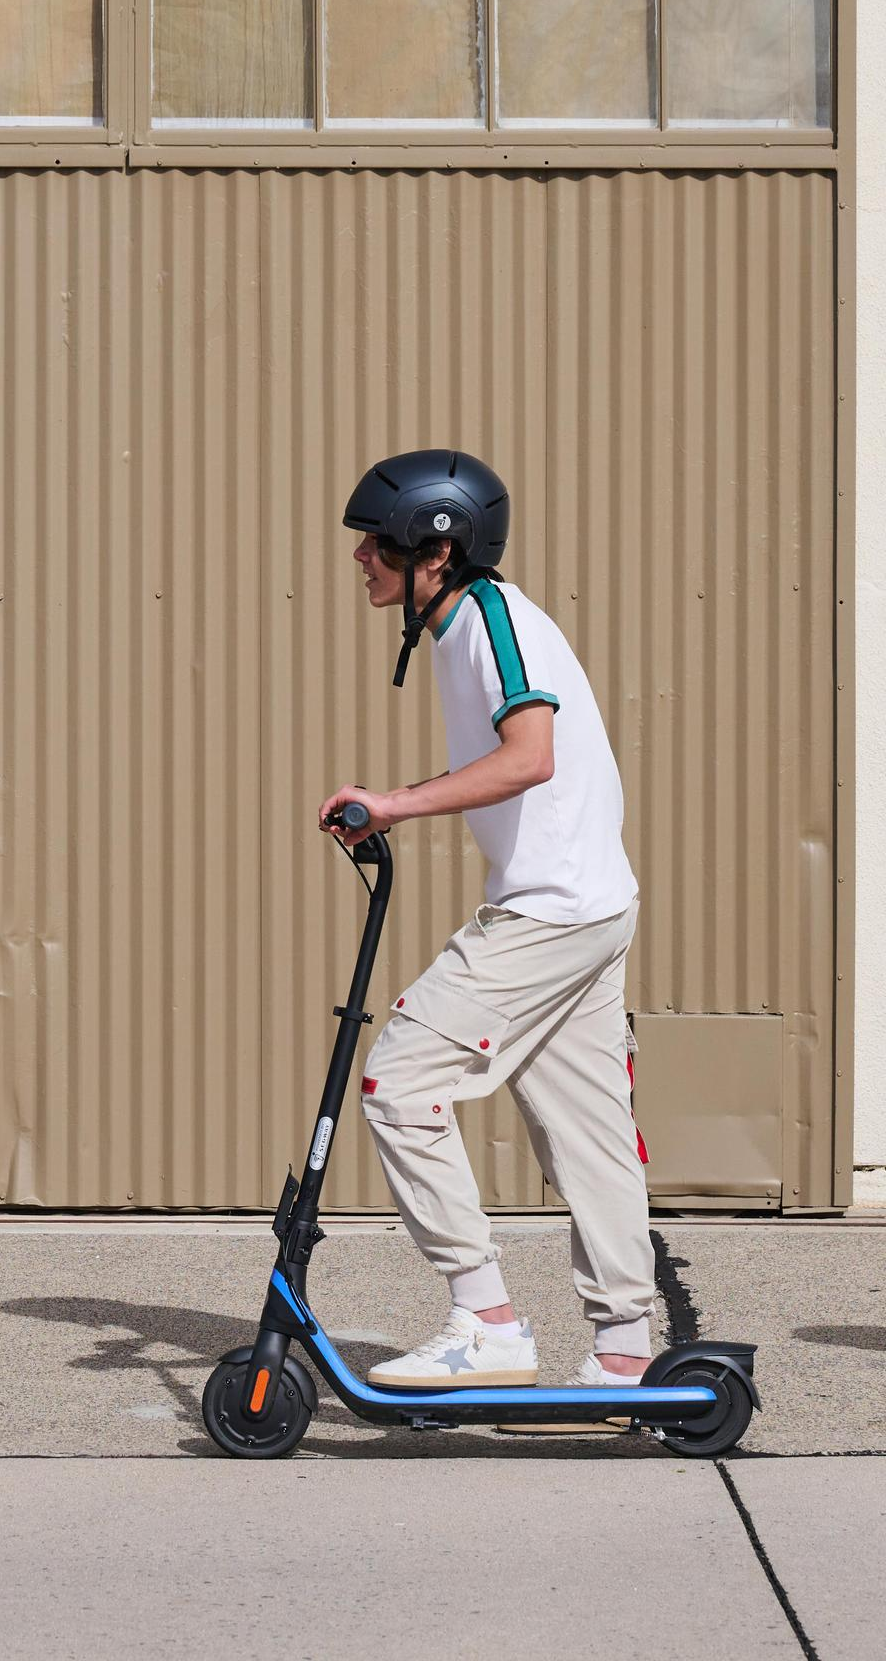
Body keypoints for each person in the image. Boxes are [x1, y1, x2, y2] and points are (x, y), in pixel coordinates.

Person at [316, 450, 655, 1398]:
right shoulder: (465, 625)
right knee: (586, 1130)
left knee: (398, 1082)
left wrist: (392, 803)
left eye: (377, 543)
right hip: (588, 905)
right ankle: (626, 1351)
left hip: (550, 913)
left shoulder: (490, 618)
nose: (361, 559)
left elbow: (529, 756)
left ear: (437, 551)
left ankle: (487, 1320)